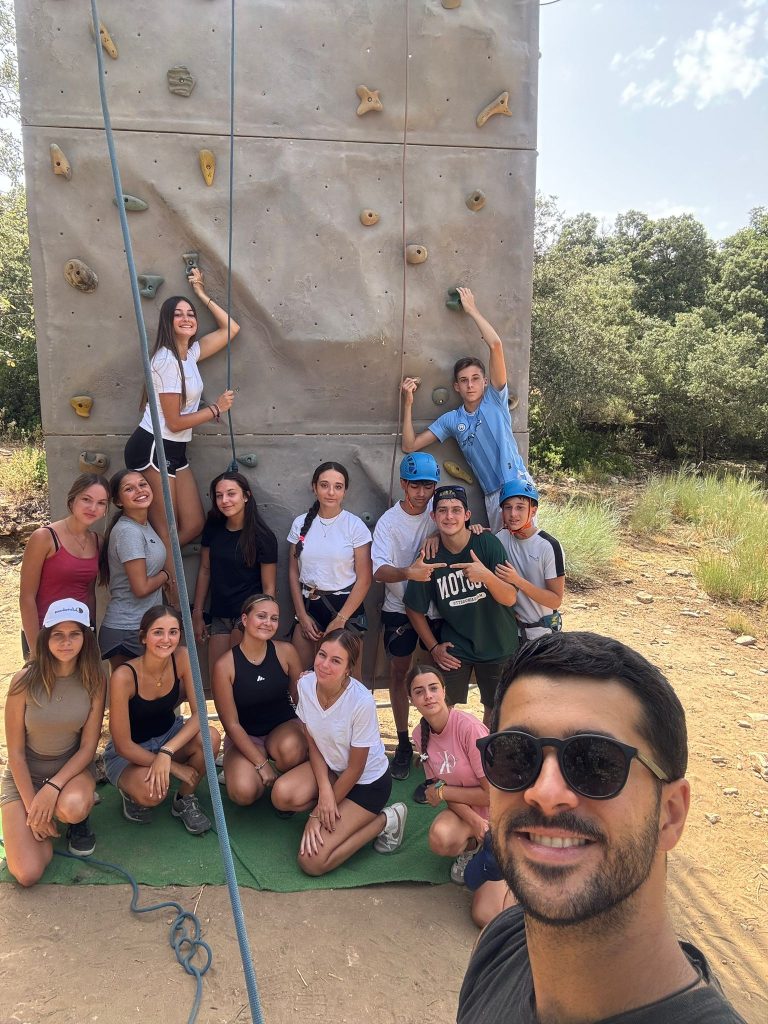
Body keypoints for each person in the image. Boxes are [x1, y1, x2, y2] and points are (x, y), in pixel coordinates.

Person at [458, 632, 747, 1024]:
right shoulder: (500, 944)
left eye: (595, 763)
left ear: (670, 814)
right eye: (515, 755)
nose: (545, 792)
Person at [123, 269, 240, 568]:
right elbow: (174, 421)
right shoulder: (166, 360)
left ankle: (148, 562)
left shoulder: (189, 355)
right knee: (168, 531)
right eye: (178, 314)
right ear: (167, 321)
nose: (186, 318)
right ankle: (164, 589)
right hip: (154, 446)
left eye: (191, 314)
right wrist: (215, 409)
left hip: (175, 447)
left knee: (194, 524)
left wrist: (200, 293)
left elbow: (231, 328)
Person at [271, 629, 408, 875]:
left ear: (348, 668)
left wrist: (316, 815)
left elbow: (356, 769)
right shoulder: (305, 684)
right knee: (281, 796)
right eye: (322, 655)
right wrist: (325, 791)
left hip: (367, 784)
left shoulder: (361, 702)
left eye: (336, 660)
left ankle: (386, 820)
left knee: (311, 862)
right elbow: (313, 743)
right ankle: (335, 810)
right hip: (333, 771)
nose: (324, 665)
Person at [400, 286, 532, 533]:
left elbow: (496, 345)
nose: (470, 385)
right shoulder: (451, 420)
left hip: (516, 485)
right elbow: (409, 445)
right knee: (503, 552)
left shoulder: (495, 400)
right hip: (492, 495)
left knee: (526, 545)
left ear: (485, 382)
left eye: (475, 378)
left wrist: (471, 309)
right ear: (456, 386)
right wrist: (408, 403)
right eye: (463, 380)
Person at [1, 600, 106, 884]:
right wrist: (32, 806)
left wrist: (53, 787)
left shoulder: (95, 679)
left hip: (70, 772)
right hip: (26, 775)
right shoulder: (23, 680)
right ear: (45, 637)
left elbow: (88, 748)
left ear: (86, 638)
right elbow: (15, 754)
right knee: (27, 873)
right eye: (57, 634)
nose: (66, 642)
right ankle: (39, 828)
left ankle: (72, 819)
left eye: (74, 634)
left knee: (72, 806)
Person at [404, 485, 519, 726]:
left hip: (497, 641)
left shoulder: (486, 544)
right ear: (433, 516)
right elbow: (413, 608)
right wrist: (433, 647)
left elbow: (510, 597)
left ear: (467, 515)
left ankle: (484, 750)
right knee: (441, 707)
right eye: (442, 510)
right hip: (456, 645)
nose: (449, 516)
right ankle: (446, 749)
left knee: (495, 711)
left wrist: (486, 576)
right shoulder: (429, 555)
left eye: (456, 510)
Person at [103, 605, 220, 834]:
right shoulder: (123, 676)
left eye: (173, 632)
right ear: (143, 637)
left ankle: (184, 799)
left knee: (211, 737)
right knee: (152, 794)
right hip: (130, 753)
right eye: (158, 632)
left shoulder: (182, 657)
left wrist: (166, 752)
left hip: (168, 736)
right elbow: (123, 745)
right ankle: (130, 791)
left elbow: (199, 714)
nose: (166, 640)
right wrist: (174, 767)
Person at [407, 664, 508, 919]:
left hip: (499, 808)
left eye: (433, 688)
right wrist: (474, 821)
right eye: (419, 692)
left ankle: (498, 846)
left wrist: (443, 793)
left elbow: (492, 794)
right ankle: (474, 847)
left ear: (444, 691)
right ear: (412, 700)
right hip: (467, 808)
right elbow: (440, 788)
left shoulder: (467, 727)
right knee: (440, 838)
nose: (428, 696)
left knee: (488, 909)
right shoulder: (419, 734)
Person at [371, 452, 444, 780]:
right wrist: (407, 573)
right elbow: (379, 571)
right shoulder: (389, 521)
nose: (422, 493)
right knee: (399, 673)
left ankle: (435, 739)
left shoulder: (439, 513)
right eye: (415, 486)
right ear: (403, 484)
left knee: (435, 674)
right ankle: (403, 742)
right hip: (399, 608)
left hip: (436, 609)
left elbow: (461, 530)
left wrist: (439, 533)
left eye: (428, 486)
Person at [212, 594, 307, 807]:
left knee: (291, 749)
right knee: (243, 793)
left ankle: (289, 786)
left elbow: (301, 701)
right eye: (261, 616)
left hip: (283, 728)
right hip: (245, 735)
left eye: (274, 618)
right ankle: (241, 769)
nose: (268, 623)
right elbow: (231, 724)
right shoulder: (224, 665)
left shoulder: (286, 652)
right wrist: (261, 764)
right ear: (245, 620)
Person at [192, 471, 278, 679]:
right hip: (219, 615)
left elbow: (269, 587)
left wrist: (264, 621)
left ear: (246, 496)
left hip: (247, 618)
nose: (225, 500)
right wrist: (197, 612)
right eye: (219, 495)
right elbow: (205, 569)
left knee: (242, 679)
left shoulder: (263, 536)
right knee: (218, 678)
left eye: (231, 494)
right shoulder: (213, 527)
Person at [287, 462, 372, 671]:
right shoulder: (300, 524)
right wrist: (301, 615)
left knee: (349, 679)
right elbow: (293, 572)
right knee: (302, 678)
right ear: (314, 487)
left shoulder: (355, 526)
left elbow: (365, 578)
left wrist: (340, 620)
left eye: (338, 487)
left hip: (346, 608)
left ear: (345, 491)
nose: (331, 492)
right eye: (324, 485)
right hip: (309, 607)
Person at [19, 473, 110, 654]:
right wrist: (36, 651)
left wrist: (90, 637)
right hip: (45, 634)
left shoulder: (97, 542)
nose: (93, 508)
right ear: (72, 499)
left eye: (101, 503)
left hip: (78, 636)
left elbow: (89, 594)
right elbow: (26, 597)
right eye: (86, 499)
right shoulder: (44, 537)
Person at [97, 470, 171, 670]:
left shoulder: (143, 525)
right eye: (129, 489)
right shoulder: (128, 532)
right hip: (128, 630)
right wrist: (165, 576)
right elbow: (141, 587)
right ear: (118, 501)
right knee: (134, 689)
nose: (139, 491)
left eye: (142, 484)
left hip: (142, 626)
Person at [494, 477, 565, 642]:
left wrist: (517, 581)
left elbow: (555, 600)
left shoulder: (548, 546)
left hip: (544, 634)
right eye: (508, 507)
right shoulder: (501, 538)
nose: (513, 514)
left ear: (533, 511)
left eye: (520, 507)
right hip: (513, 632)